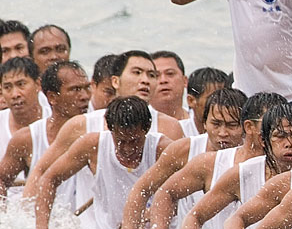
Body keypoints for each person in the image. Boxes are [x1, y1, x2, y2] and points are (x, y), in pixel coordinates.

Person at [23, 51, 185, 203]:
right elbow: (42, 171)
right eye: (137, 72)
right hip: (91, 224)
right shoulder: (81, 125)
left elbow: (180, 185)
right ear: (115, 81)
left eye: (152, 75)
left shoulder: (170, 126)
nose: (145, 80)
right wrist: (28, 215)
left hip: (147, 221)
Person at [116, 87, 247, 229]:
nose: (223, 133)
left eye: (232, 125)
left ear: (246, 127)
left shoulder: (255, 159)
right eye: (216, 124)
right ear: (204, 123)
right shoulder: (183, 150)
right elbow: (142, 190)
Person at [34, 97, 171, 229]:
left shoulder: (165, 149)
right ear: (110, 128)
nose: (128, 149)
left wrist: (150, 213)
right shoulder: (92, 146)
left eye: (134, 141)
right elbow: (49, 179)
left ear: (146, 128)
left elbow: (183, 196)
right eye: (121, 141)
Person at [147, 92, 279, 229]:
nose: (277, 133)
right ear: (248, 126)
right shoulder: (210, 163)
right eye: (269, 125)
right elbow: (167, 194)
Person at [177, 102, 292, 229]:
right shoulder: (242, 174)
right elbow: (195, 217)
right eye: (279, 136)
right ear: (263, 140)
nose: (289, 143)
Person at [0, 61, 91, 202]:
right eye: (75, 89)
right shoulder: (26, 138)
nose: (85, 96)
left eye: (87, 88)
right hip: (47, 215)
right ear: (52, 97)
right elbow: (1, 180)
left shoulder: (103, 131)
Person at [0, 58, 45, 163]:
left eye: (21, 84)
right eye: (7, 87)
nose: (15, 94)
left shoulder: (55, 118)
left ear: (38, 84)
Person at [151, 51, 192, 130]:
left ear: (185, 81)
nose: (163, 80)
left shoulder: (199, 122)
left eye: (170, 73)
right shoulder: (139, 123)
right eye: (156, 75)